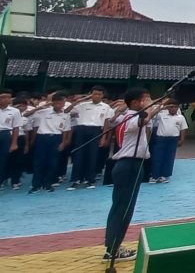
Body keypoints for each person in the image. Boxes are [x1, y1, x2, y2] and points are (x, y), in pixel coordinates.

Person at [103, 88, 164, 263]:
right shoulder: (132, 118)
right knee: (124, 208)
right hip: (130, 165)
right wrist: (153, 108)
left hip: (129, 165)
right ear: (136, 103)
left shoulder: (128, 117)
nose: (147, 102)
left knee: (120, 207)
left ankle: (112, 246)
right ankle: (113, 250)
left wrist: (155, 107)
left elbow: (146, 121)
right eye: (145, 99)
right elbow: (143, 120)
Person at [66, 86, 116, 190]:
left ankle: (90, 180)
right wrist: (81, 100)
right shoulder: (82, 105)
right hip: (81, 130)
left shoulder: (106, 107)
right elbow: (67, 111)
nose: (97, 96)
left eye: (99, 94)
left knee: (92, 156)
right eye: (94, 94)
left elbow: (106, 123)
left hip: (96, 130)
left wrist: (103, 137)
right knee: (78, 155)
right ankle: (75, 180)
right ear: (91, 94)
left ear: (102, 95)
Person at [29, 92, 72, 193]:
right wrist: (42, 106)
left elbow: (66, 130)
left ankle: (48, 184)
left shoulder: (66, 115)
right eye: (56, 103)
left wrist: (63, 142)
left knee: (53, 162)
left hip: (56, 138)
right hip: (43, 138)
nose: (59, 105)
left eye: (61, 103)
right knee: (39, 162)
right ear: (53, 103)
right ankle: (36, 185)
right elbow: (27, 114)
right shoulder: (44, 111)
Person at [149, 102, 187, 183]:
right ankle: (155, 176)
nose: (173, 109)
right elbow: (151, 116)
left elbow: (183, 129)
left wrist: (182, 140)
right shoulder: (161, 115)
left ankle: (165, 176)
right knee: (157, 157)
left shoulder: (181, 117)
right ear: (168, 108)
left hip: (173, 139)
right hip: (161, 139)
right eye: (171, 107)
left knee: (169, 158)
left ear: (178, 108)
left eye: (175, 107)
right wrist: (162, 108)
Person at [6, 95, 29, 190]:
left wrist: (27, 144)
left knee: (18, 161)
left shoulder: (25, 118)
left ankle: (15, 181)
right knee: (6, 159)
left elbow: (26, 132)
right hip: (7, 138)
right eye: (19, 106)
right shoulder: (7, 114)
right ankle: (4, 178)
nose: (22, 108)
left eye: (24, 106)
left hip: (20, 139)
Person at [0, 90, 19, 190]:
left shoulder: (14, 111)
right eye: (3, 97)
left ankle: (1, 180)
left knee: (3, 159)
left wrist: (14, 143)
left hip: (5, 134)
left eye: (8, 97)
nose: (6, 99)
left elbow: (16, 128)